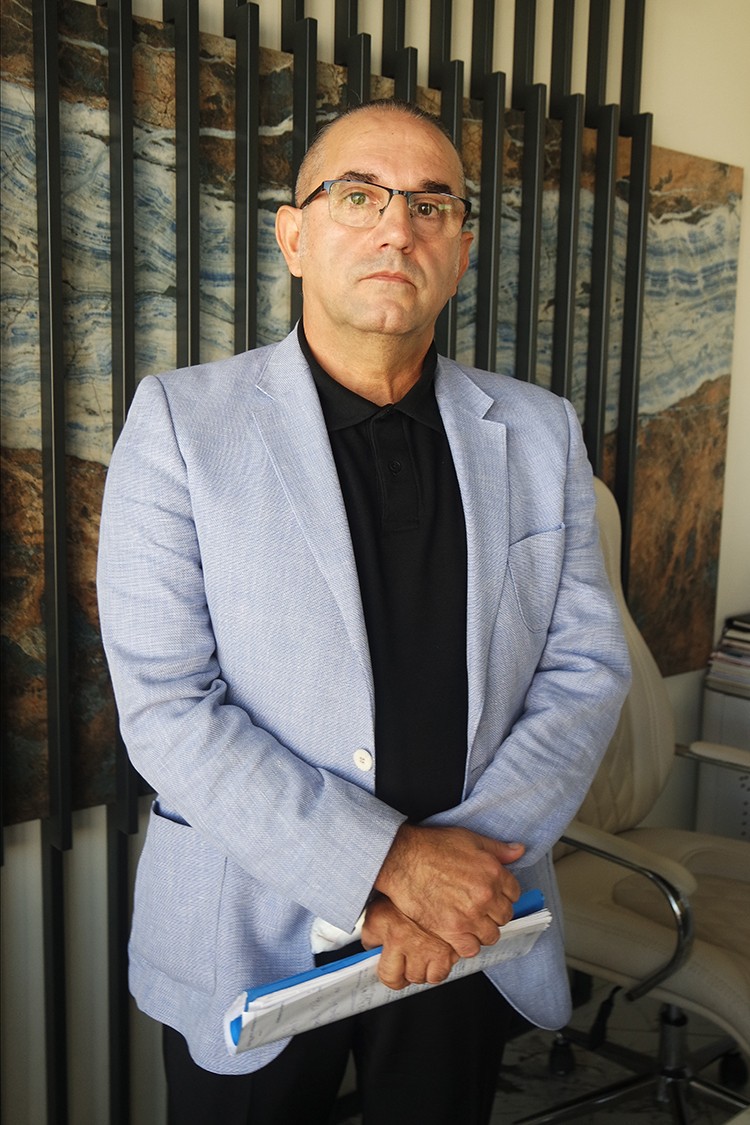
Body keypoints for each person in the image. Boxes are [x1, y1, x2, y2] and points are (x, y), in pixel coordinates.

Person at [97, 100, 631, 1125]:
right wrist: (388, 866)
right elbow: (167, 706)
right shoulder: (180, 424)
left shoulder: (540, 431)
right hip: (252, 928)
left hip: (470, 922)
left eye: (432, 205)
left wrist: (452, 881)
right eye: (359, 196)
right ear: (293, 236)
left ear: (462, 249)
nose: (397, 229)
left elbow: (586, 668)